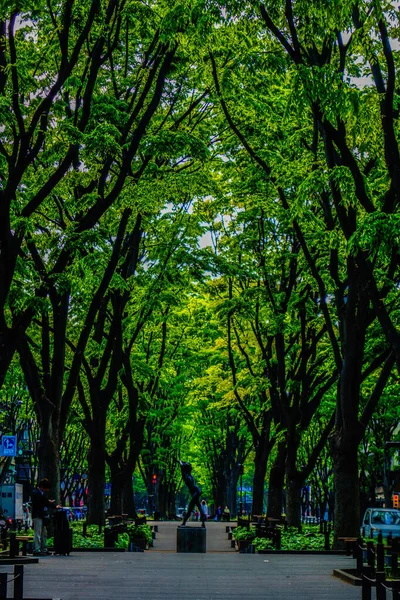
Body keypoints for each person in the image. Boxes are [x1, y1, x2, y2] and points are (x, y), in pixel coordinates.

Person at [31, 478, 57, 556]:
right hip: (37, 515)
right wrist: (49, 502)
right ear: (41, 487)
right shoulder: (36, 493)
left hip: (42, 515)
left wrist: (50, 503)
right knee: (38, 533)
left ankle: (43, 548)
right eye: (46, 488)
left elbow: (45, 501)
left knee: (44, 533)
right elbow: (42, 502)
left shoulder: (41, 494)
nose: (47, 490)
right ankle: (37, 549)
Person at [178, 461, 206, 528]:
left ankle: (184, 523)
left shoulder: (188, 476)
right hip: (196, 491)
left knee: (190, 507)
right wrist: (180, 462)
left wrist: (180, 462)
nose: (191, 469)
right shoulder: (187, 476)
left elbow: (182, 466)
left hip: (195, 492)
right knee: (198, 506)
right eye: (189, 468)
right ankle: (203, 522)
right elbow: (182, 467)